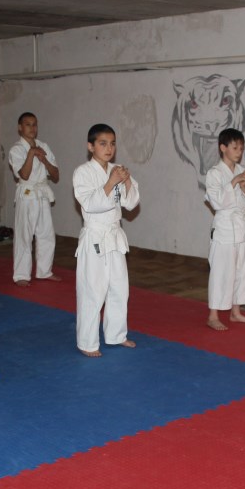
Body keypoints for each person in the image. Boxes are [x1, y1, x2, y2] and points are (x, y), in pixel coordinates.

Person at [72, 123, 140, 357]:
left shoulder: (117, 170)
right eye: (102, 143)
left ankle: (116, 335)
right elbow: (90, 204)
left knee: (119, 288)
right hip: (95, 235)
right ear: (90, 146)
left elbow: (130, 203)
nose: (109, 148)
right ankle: (87, 342)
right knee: (92, 290)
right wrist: (111, 182)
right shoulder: (82, 172)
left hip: (115, 236)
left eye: (112, 144)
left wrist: (127, 181)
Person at [204, 128, 245, 331]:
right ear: (223, 148)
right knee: (221, 272)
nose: (239, 152)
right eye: (235, 147)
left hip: (242, 228)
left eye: (241, 148)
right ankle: (213, 315)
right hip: (224, 229)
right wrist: (233, 182)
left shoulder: (244, 170)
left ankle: (236, 312)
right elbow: (217, 203)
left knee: (241, 271)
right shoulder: (214, 173)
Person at [8, 112, 60, 286]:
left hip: (42, 194)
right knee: (24, 235)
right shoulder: (16, 149)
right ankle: (21, 275)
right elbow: (23, 175)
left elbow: (56, 174)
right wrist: (31, 154)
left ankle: (44, 271)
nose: (32, 128)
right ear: (20, 127)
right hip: (27, 194)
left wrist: (44, 160)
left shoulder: (43, 146)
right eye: (28, 124)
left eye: (34, 124)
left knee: (47, 234)